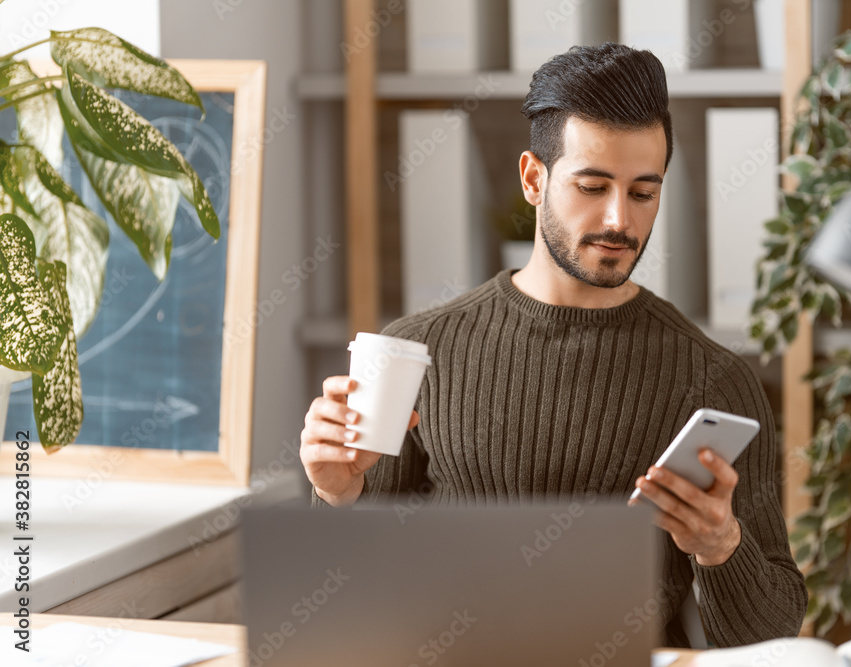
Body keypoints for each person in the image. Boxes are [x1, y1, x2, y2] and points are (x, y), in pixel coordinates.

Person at [300, 42, 807, 648]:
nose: (620, 219)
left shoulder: (714, 379)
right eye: (592, 186)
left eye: (644, 193)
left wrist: (721, 546)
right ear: (533, 179)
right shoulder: (417, 352)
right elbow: (352, 612)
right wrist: (336, 496)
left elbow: (775, 638)